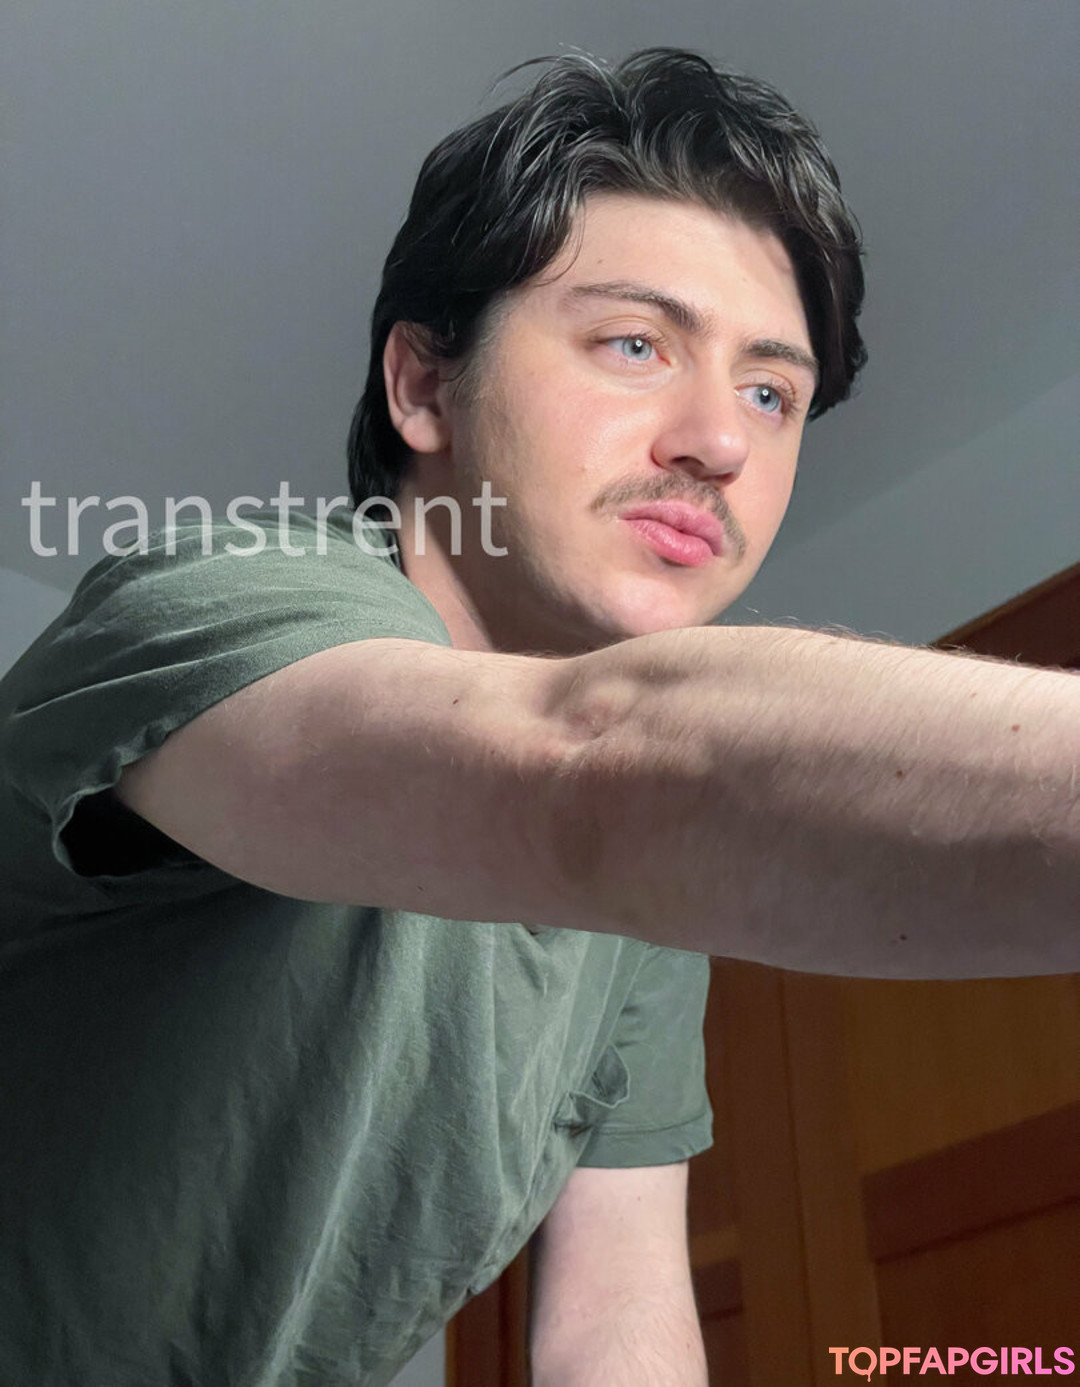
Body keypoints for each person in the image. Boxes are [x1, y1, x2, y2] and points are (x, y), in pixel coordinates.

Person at [0, 46, 1076, 1387]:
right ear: (422, 386)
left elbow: (616, 1320)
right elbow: (592, 767)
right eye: (635, 343)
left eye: (771, 393)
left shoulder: (640, 918)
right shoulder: (210, 606)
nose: (722, 441)